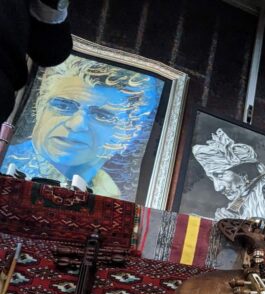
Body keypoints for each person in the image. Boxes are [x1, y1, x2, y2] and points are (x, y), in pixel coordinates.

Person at [3, 55, 161, 199]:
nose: (76, 125)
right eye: (63, 106)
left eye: (101, 115)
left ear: (129, 131)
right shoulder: (5, 164)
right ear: (39, 106)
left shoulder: (114, 197)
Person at [192, 129, 265, 236]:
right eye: (212, 179)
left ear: (244, 174)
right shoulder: (232, 211)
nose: (217, 188)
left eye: (220, 175)